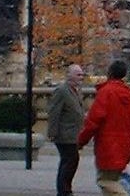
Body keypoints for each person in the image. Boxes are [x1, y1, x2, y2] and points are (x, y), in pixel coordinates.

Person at [78, 60, 130, 196]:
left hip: (108, 146)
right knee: (113, 179)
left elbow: (93, 121)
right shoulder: (129, 95)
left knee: (105, 181)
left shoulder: (106, 92)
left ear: (110, 73)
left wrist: (81, 141)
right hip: (125, 145)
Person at [47, 64, 86, 196]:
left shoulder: (76, 90)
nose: (81, 77)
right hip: (64, 134)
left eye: (82, 74)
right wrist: (52, 133)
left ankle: (65, 189)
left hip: (74, 134)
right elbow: (54, 112)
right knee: (70, 160)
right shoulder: (62, 90)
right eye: (78, 74)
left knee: (70, 161)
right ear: (69, 75)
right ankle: (64, 191)